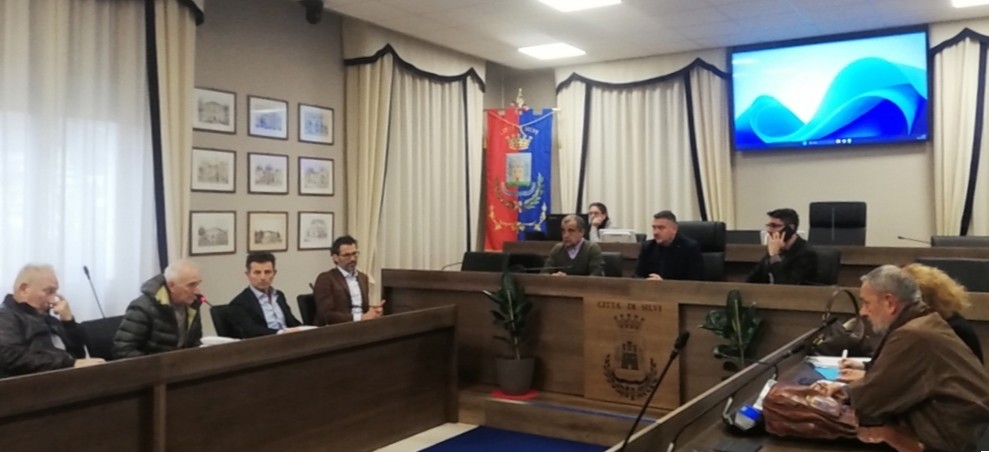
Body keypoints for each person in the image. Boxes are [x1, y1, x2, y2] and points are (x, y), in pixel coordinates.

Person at [816, 265, 989, 452]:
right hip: (964, 432)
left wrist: (841, 393)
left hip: (952, 440)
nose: (863, 312)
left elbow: (874, 399)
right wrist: (849, 390)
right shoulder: (924, 322)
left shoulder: (914, 333)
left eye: (867, 303)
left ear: (889, 302)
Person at [0, 264, 103, 377]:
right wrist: (69, 364)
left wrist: (68, 321)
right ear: (24, 289)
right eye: (49, 292)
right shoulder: (5, 317)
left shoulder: (48, 319)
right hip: (34, 383)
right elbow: (12, 358)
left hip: (65, 377)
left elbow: (79, 354)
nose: (54, 299)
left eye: (55, 292)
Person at [112, 259, 204, 358]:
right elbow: (122, 351)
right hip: (151, 365)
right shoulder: (142, 307)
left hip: (180, 364)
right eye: (191, 285)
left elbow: (194, 343)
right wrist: (157, 364)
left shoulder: (192, 305)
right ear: (171, 286)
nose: (197, 291)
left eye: (197, 284)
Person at [226, 252, 303, 338]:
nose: (263, 277)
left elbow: (292, 322)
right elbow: (250, 331)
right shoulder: (239, 303)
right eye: (257, 272)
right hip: (265, 343)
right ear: (248, 275)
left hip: (291, 340)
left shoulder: (279, 295)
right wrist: (281, 333)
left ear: (274, 273)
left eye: (267, 272)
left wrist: (306, 329)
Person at [312, 235, 385, 325]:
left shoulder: (363, 278)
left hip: (362, 325)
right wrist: (361, 317)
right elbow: (326, 315)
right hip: (339, 328)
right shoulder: (326, 279)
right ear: (335, 258)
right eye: (347, 255)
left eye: (355, 254)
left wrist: (373, 311)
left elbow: (362, 308)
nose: (352, 259)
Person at [746, 208, 817, 285]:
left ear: (791, 228)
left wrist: (774, 256)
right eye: (769, 225)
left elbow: (786, 286)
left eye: (774, 226)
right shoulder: (775, 248)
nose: (769, 230)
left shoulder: (806, 253)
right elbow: (751, 281)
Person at [633, 210, 704, 281]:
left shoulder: (690, 248)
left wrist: (664, 284)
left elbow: (693, 281)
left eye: (661, 228)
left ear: (674, 229)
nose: (656, 232)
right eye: (654, 228)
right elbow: (637, 276)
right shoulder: (648, 247)